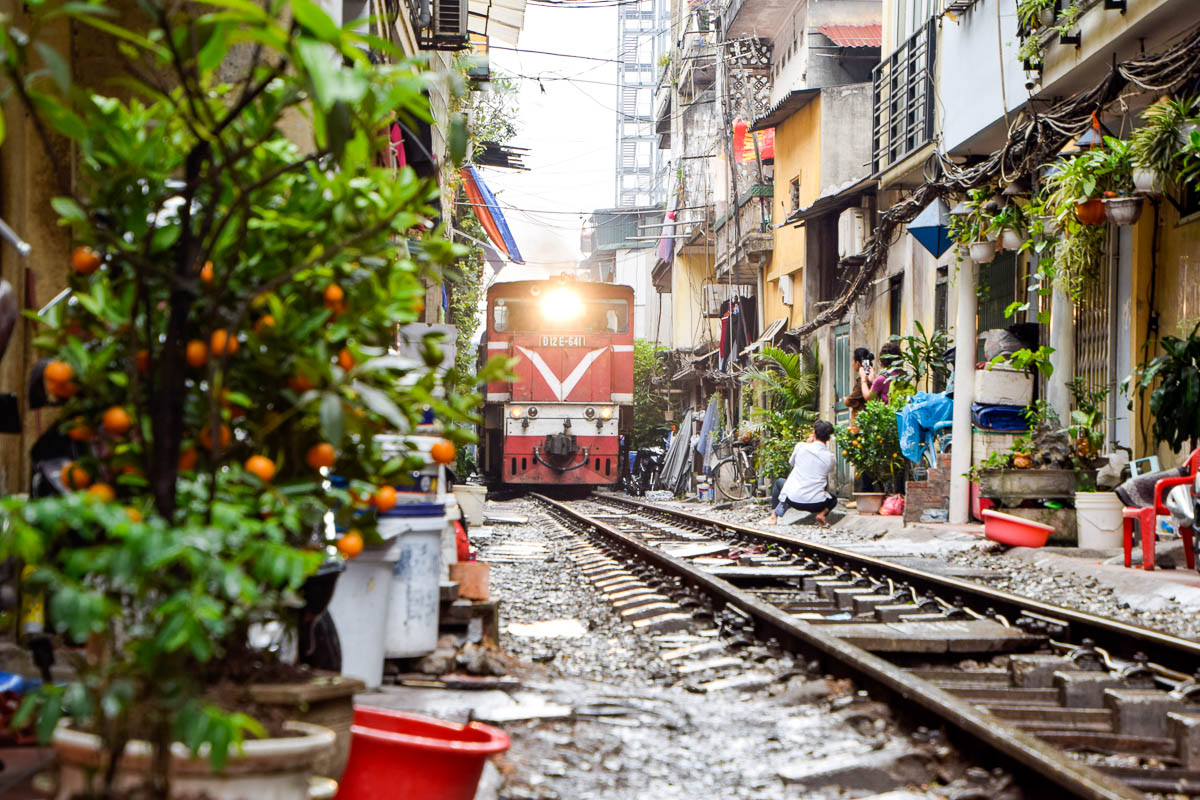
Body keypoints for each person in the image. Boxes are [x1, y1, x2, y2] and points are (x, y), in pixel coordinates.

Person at [762, 420, 837, 527]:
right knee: (833, 499)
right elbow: (829, 471)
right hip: (816, 504)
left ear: (814, 434)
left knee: (780, 483)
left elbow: (791, 462)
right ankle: (822, 514)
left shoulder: (801, 446)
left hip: (793, 500)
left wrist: (807, 444)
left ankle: (774, 518)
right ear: (829, 438)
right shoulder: (830, 457)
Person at [843, 347, 874, 425]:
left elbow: (850, 400)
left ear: (857, 363)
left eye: (853, 361)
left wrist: (846, 399)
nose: (852, 364)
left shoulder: (863, 382)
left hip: (860, 422)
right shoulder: (870, 378)